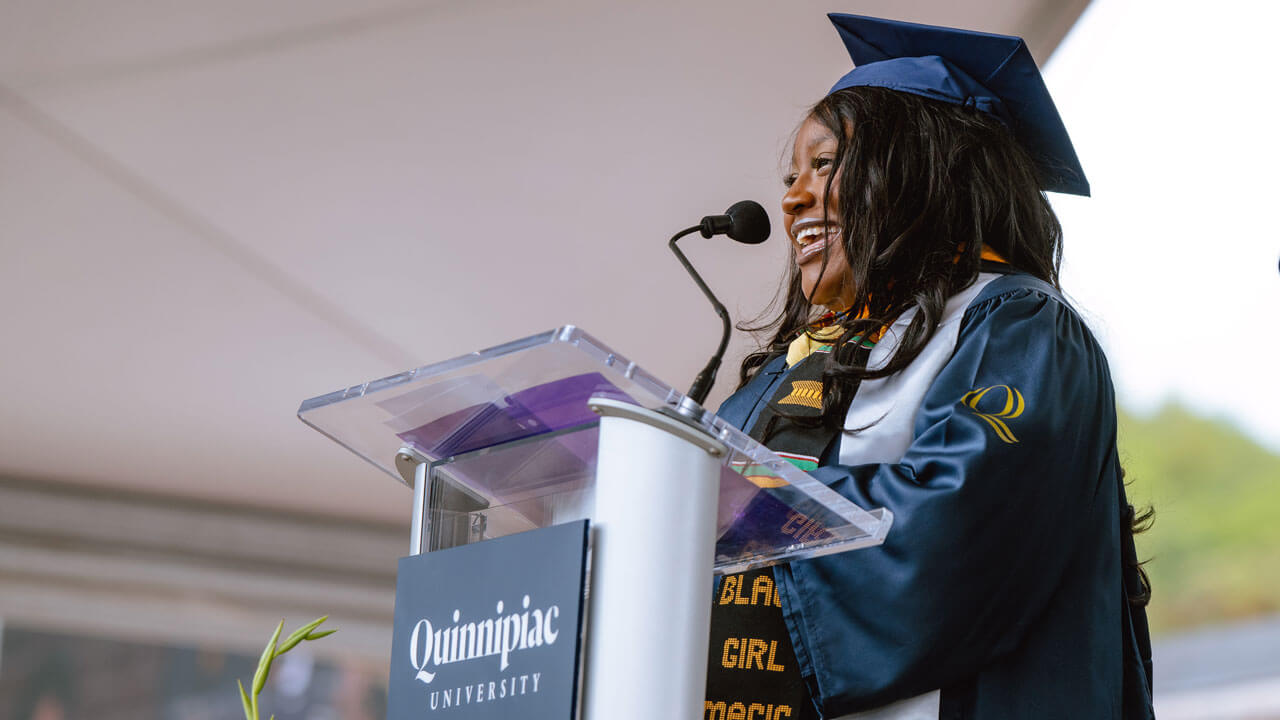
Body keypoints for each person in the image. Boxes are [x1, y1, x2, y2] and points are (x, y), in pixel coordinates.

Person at [703, 14, 1154, 720]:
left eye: (825, 165)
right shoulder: (794, 365)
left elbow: (955, 529)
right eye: (792, 176)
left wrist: (748, 506)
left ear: (927, 167)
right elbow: (693, 507)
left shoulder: (1015, 326)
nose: (792, 198)